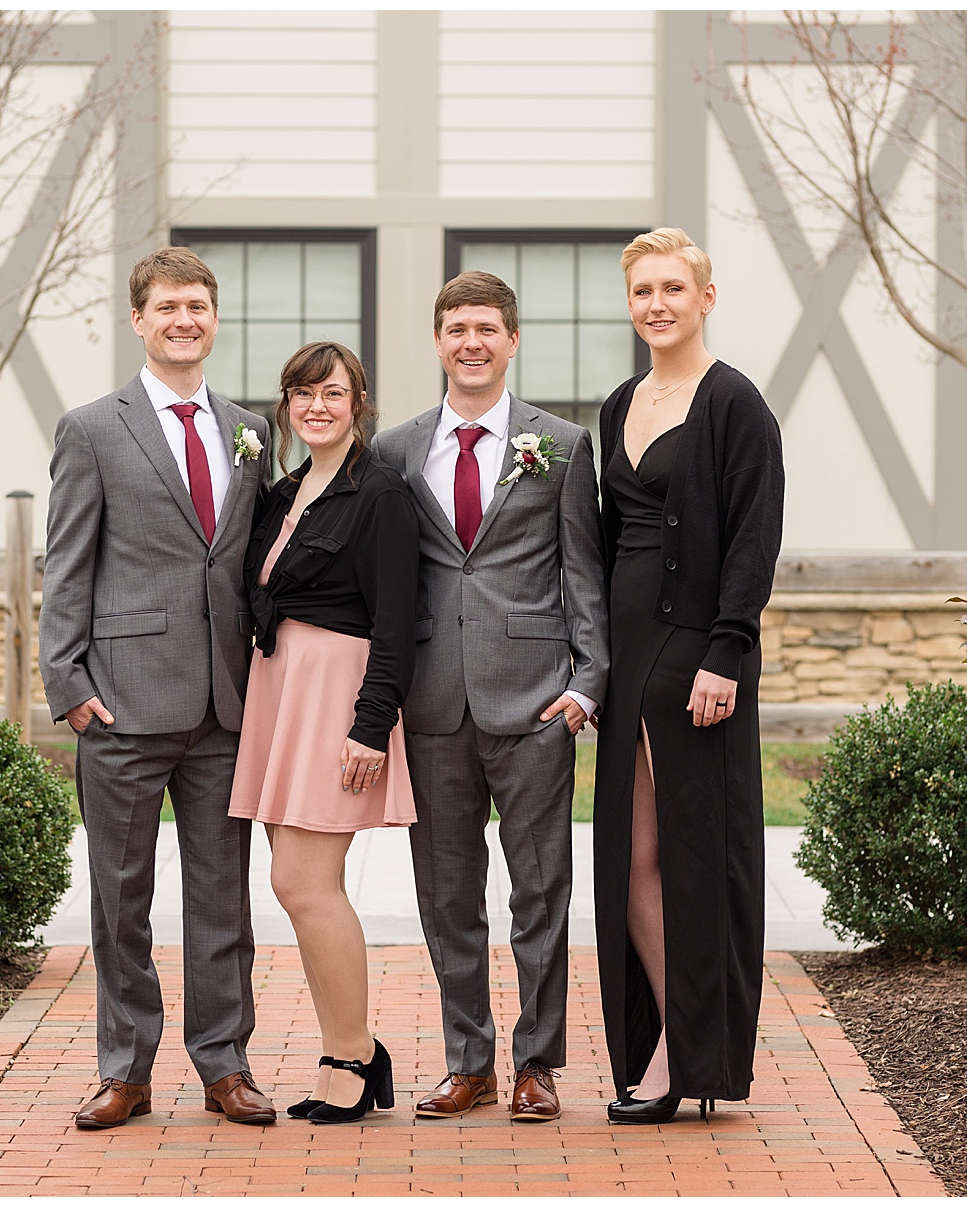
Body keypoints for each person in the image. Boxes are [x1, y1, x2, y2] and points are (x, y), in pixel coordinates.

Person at [39, 246, 278, 1130]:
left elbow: (253, 562)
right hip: (122, 701)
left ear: (215, 319)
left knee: (224, 898)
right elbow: (67, 563)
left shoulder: (250, 428)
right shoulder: (93, 427)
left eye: (199, 305)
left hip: (226, 704)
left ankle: (225, 1063)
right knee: (120, 898)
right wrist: (68, 682)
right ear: (138, 319)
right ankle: (125, 1068)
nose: (185, 319)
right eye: (168, 306)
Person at [374, 272, 608, 1122]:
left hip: (536, 703)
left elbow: (584, 573)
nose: (470, 342)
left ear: (512, 341)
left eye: (486, 328)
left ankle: (537, 1063)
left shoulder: (565, 446)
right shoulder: (394, 451)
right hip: (431, 704)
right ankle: (467, 1059)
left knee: (541, 892)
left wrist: (587, 684)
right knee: (446, 894)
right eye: (455, 328)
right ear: (438, 341)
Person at [592, 228, 784, 1124]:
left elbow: (753, 539)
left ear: (706, 297)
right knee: (629, 859)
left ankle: (691, 1056)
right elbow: (605, 538)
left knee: (696, 857)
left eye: (673, 287)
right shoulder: (619, 402)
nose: (657, 303)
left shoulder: (736, 404)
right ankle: (675, 1032)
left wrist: (727, 650)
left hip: (696, 655)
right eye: (642, 291)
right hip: (627, 654)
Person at [229, 340, 421, 1124]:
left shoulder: (380, 494)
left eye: (332, 394)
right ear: (286, 405)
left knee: (305, 884)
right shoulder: (280, 493)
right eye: (303, 393)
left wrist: (369, 726)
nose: (317, 406)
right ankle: (348, 1048)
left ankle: (354, 1056)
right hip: (280, 691)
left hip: (337, 696)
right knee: (296, 884)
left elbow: (398, 623)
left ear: (357, 404)